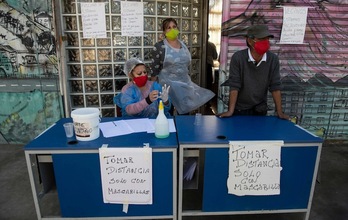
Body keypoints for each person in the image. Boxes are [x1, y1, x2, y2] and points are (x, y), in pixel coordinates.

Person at [217, 24, 289, 120]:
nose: (265, 42)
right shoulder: (238, 58)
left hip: (260, 109)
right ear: (250, 41)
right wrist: (230, 111)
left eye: (267, 39)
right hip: (240, 110)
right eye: (261, 39)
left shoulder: (273, 59)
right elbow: (234, 85)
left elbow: (275, 86)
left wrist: (279, 112)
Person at [150, 18, 215, 115]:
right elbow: (154, 70)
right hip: (167, 88)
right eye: (168, 28)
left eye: (174, 27)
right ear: (164, 32)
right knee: (168, 113)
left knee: (185, 114)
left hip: (184, 85)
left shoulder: (183, 45)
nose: (172, 29)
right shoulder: (159, 47)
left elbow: (186, 64)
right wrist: (152, 89)